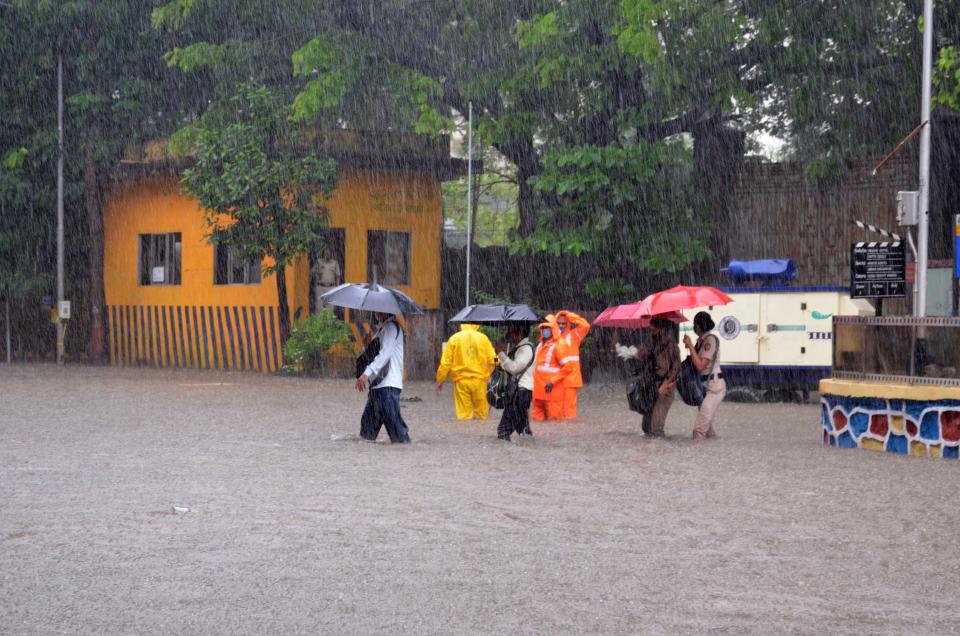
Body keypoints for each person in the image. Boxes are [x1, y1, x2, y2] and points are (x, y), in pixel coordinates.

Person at [356, 312, 410, 443]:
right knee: (367, 432)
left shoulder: (391, 328)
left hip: (388, 386)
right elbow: (375, 354)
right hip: (378, 387)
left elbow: (385, 354)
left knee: (397, 431)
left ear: (385, 311)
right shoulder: (383, 330)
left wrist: (366, 373)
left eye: (378, 310)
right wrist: (367, 345)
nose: (375, 313)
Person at [435, 324, 497, 420]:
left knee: (464, 417)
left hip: (461, 382)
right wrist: (494, 372)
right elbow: (494, 360)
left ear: (462, 325)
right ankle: (479, 434)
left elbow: (445, 364)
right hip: (480, 382)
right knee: (482, 417)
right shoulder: (483, 338)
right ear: (476, 325)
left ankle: (465, 434)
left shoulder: (454, 339)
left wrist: (440, 380)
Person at [634, 318, 681, 437]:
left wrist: (666, 384)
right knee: (646, 426)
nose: (650, 330)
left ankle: (661, 451)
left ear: (662, 329)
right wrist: (642, 356)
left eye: (653, 328)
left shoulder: (671, 345)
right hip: (653, 386)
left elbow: (676, 367)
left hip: (665, 388)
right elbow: (649, 365)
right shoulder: (654, 344)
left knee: (656, 427)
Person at [683, 311, 725, 441]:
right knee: (708, 432)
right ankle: (712, 456)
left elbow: (700, 365)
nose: (694, 327)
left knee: (699, 431)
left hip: (714, 388)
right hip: (703, 388)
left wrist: (690, 346)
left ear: (699, 326)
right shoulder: (700, 341)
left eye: (695, 324)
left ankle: (696, 458)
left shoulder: (710, 340)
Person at [495, 323, 536, 440]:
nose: (509, 335)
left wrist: (501, 353)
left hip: (519, 394)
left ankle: (509, 457)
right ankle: (530, 453)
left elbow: (513, 368)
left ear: (519, 334)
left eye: (511, 332)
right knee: (523, 430)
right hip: (519, 393)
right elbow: (503, 365)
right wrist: (498, 354)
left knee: (503, 430)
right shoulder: (520, 348)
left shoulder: (526, 349)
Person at [531, 315, 574, 421]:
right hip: (538, 392)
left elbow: (568, 367)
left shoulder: (559, 344)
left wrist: (553, 381)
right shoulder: (540, 344)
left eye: (547, 327)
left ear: (553, 328)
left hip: (553, 393)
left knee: (555, 424)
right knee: (537, 423)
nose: (544, 330)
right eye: (543, 328)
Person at [555, 310, 590, 419]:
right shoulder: (552, 338)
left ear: (568, 323)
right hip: (555, 380)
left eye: (563, 323)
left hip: (570, 380)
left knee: (569, 412)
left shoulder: (574, 335)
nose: (561, 325)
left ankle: (569, 433)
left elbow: (585, 325)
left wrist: (569, 316)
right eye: (559, 323)